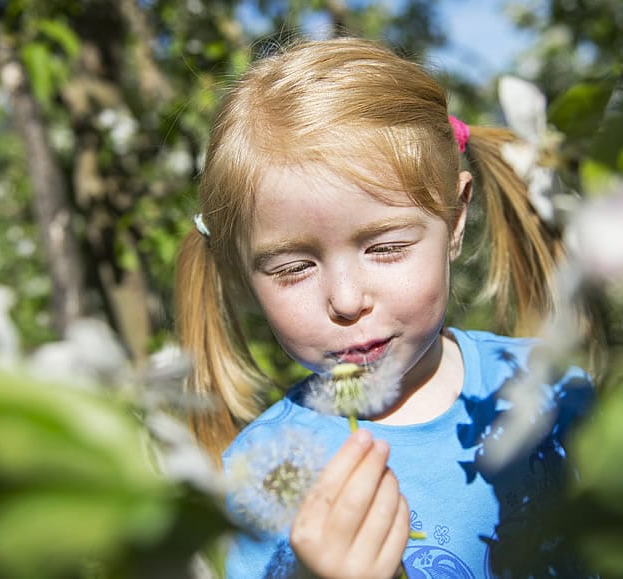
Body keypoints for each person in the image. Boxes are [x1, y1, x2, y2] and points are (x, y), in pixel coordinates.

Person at [175, 37, 596, 579]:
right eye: (293, 267)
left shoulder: (552, 391)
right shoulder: (260, 476)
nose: (347, 301)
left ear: (456, 220)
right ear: (242, 273)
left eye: (386, 247)